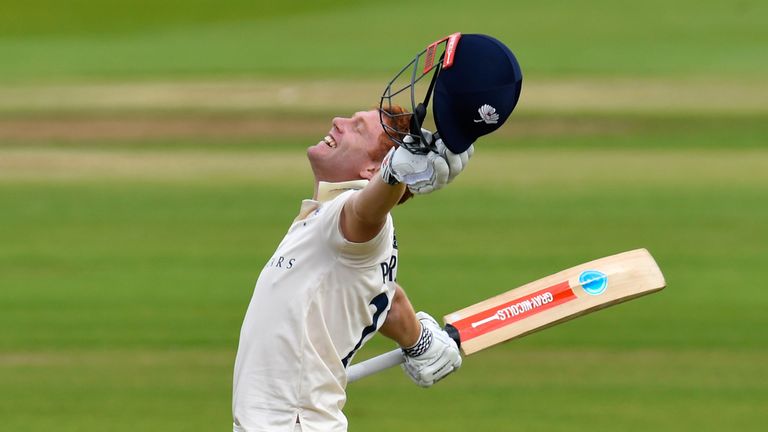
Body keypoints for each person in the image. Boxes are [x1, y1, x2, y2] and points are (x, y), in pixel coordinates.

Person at [231, 105, 471, 432]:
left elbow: (366, 212)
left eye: (357, 128)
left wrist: (393, 177)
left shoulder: (350, 218)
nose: (338, 122)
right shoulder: (328, 224)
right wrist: (420, 342)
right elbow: (385, 299)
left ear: (373, 170)